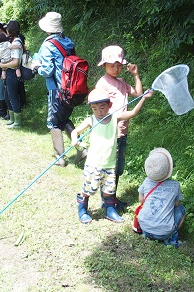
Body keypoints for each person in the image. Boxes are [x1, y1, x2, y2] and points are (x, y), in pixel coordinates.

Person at [71, 88, 153, 224]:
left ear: (109, 105)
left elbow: (132, 113)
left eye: (102, 107)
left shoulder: (114, 116)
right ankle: (82, 210)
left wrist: (143, 97)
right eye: (94, 108)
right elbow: (75, 131)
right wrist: (75, 139)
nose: (99, 111)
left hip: (109, 164)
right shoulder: (91, 120)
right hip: (94, 163)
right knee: (88, 189)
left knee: (109, 190)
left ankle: (110, 210)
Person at [33, 12, 84, 167]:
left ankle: (59, 158)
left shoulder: (48, 44)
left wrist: (36, 67)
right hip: (70, 89)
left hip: (56, 89)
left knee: (54, 123)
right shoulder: (68, 41)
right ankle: (82, 148)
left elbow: (47, 71)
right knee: (64, 119)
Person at [95, 45, 143, 209]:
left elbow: (138, 93)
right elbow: (99, 111)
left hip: (122, 132)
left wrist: (135, 75)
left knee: (118, 169)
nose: (116, 69)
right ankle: (107, 200)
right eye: (111, 65)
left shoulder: (122, 83)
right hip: (109, 133)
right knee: (109, 168)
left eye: (119, 65)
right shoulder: (102, 84)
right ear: (104, 66)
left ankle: (111, 198)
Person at [137, 148, 186, 247]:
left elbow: (141, 200)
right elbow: (177, 204)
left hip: (144, 228)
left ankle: (148, 234)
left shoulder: (146, 181)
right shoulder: (175, 185)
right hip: (164, 233)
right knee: (182, 209)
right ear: (169, 168)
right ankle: (171, 237)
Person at [0, 20, 23, 128]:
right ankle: (12, 118)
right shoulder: (12, 42)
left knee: (12, 97)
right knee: (7, 96)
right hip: (10, 72)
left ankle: (17, 122)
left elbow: (16, 61)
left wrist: (3, 66)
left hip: (13, 73)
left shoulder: (17, 42)